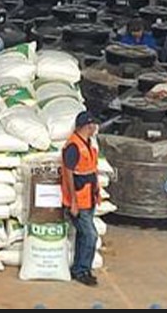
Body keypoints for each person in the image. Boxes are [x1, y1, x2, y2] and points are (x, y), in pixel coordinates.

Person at [60, 111, 100, 287]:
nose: (96, 128)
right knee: (91, 235)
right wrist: (73, 203)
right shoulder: (73, 147)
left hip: (88, 198)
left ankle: (81, 269)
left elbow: (90, 171)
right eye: (94, 125)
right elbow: (68, 175)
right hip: (79, 201)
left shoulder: (88, 144)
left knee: (84, 236)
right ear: (88, 125)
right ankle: (81, 270)